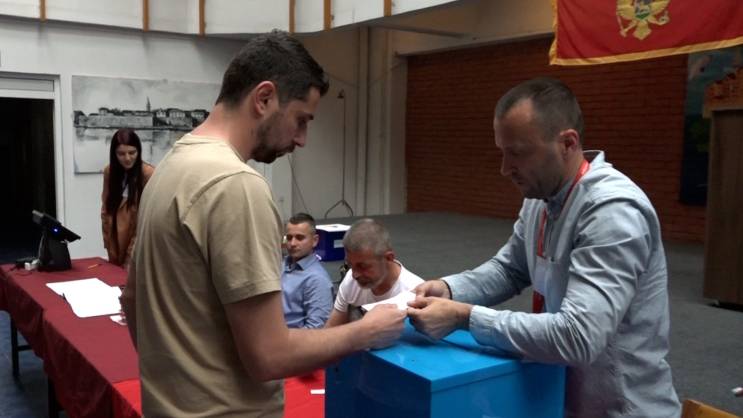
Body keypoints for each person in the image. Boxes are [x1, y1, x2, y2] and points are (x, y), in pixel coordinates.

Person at [120, 31, 406, 418]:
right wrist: (365, 331)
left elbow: (132, 300)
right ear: (264, 98)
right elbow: (269, 356)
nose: (302, 139)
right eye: (301, 120)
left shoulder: (168, 168)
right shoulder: (237, 185)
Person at [407, 77, 681, 418]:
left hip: (622, 410)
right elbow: (510, 269)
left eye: (518, 153)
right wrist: (450, 289)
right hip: (560, 398)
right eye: (502, 152)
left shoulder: (613, 211)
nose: (505, 169)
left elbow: (578, 336)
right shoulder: (541, 196)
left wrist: (465, 316)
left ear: (567, 143)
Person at [325, 218, 423, 327]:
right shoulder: (350, 281)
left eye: (363, 266)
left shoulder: (416, 294)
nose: (354, 275)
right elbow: (331, 328)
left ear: (388, 258)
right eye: (350, 265)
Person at [100, 128, 154, 267]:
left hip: (137, 238)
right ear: (114, 154)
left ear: (139, 151)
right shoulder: (109, 171)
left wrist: (131, 254)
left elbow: (145, 219)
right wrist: (108, 241)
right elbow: (106, 208)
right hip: (115, 237)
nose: (127, 158)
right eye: (121, 154)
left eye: (132, 152)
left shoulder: (147, 174)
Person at [281, 212, 334, 328]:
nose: (292, 243)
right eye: (289, 238)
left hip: (288, 337)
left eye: (300, 238)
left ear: (315, 240)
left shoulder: (317, 280)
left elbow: (315, 330)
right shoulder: (280, 265)